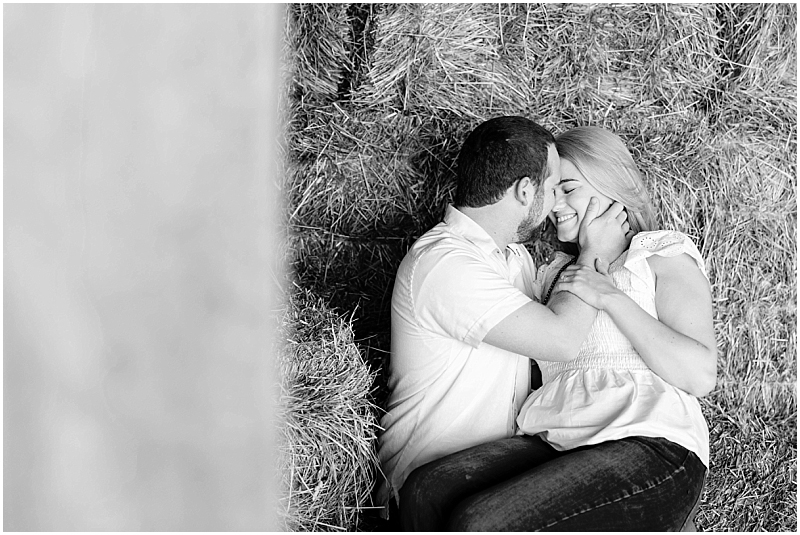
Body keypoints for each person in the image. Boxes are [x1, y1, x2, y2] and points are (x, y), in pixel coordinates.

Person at [398, 126, 716, 531]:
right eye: (552, 192)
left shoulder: (658, 254)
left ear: (610, 186)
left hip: (647, 440)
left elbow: (700, 375)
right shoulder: (545, 274)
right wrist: (588, 259)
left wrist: (609, 295)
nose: (554, 205)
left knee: (479, 522)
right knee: (426, 491)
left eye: (567, 189)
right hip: (555, 443)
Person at [375, 117, 632, 526]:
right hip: (427, 492)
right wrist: (595, 253)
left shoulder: (514, 260)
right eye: (552, 191)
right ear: (525, 191)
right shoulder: (445, 263)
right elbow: (562, 338)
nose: (553, 208)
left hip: (492, 482)